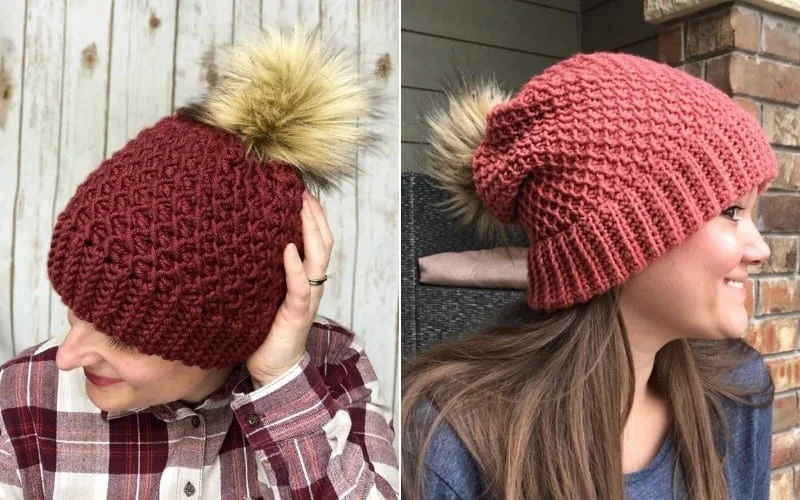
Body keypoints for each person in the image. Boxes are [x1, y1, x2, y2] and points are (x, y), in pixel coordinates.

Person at [0, 29, 398, 499]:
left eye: (124, 336)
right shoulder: (24, 397)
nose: (67, 355)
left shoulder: (335, 374)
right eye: (76, 311)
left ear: (226, 330)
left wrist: (279, 381)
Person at [402, 52, 777, 499]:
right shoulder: (452, 441)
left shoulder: (737, 393)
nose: (760, 250)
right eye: (731, 212)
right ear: (625, 236)